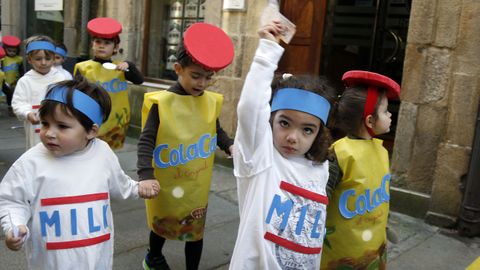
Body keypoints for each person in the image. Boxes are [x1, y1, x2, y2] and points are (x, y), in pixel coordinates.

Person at [0, 77, 160, 269]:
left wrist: (138, 188)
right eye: (45, 123)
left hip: (96, 260)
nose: (49, 133)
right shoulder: (31, 162)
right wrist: (14, 226)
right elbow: (12, 199)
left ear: (91, 131)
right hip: (51, 263)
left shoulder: (102, 154)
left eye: (62, 126)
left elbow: (120, 184)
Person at [229, 21, 336, 269]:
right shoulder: (260, 159)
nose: (292, 137)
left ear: (319, 133)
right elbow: (249, 108)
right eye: (285, 123)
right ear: (270, 121)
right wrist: (268, 49)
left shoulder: (319, 167)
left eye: (307, 129)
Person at [137, 22, 234, 270]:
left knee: (195, 229)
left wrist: (229, 145)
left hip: (196, 182)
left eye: (208, 77)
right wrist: (145, 175)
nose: (202, 83)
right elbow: (147, 139)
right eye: (195, 75)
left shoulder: (210, 102)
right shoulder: (163, 103)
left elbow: (216, 129)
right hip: (165, 180)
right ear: (178, 69)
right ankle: (153, 257)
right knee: (162, 223)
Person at [321, 70, 400, 270]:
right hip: (343, 248)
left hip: (374, 242)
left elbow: (381, 194)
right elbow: (322, 199)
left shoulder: (381, 150)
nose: (390, 115)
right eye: (385, 111)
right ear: (370, 121)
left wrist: (385, 222)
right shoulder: (340, 153)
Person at [74, 17, 144, 150]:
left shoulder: (121, 67)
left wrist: (129, 65)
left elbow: (139, 80)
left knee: (110, 154)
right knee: (89, 152)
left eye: (107, 43)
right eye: (98, 42)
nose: (101, 45)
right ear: (92, 44)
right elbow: (76, 94)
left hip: (116, 121)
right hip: (91, 117)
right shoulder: (82, 67)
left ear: (116, 47)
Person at [11, 35, 69, 149]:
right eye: (38, 59)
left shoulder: (61, 79)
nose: (43, 63)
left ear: (53, 58)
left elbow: (68, 99)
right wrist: (27, 113)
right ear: (29, 59)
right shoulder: (25, 81)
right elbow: (18, 103)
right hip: (35, 128)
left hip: (58, 125)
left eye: (47, 59)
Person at [1, 35, 24, 116]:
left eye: (14, 51)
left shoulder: (19, 59)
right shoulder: (3, 58)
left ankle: (11, 108)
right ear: (5, 49)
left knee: (12, 94)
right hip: (4, 80)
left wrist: (21, 78)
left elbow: (21, 70)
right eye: (9, 51)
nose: (12, 53)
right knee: (8, 93)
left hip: (14, 80)